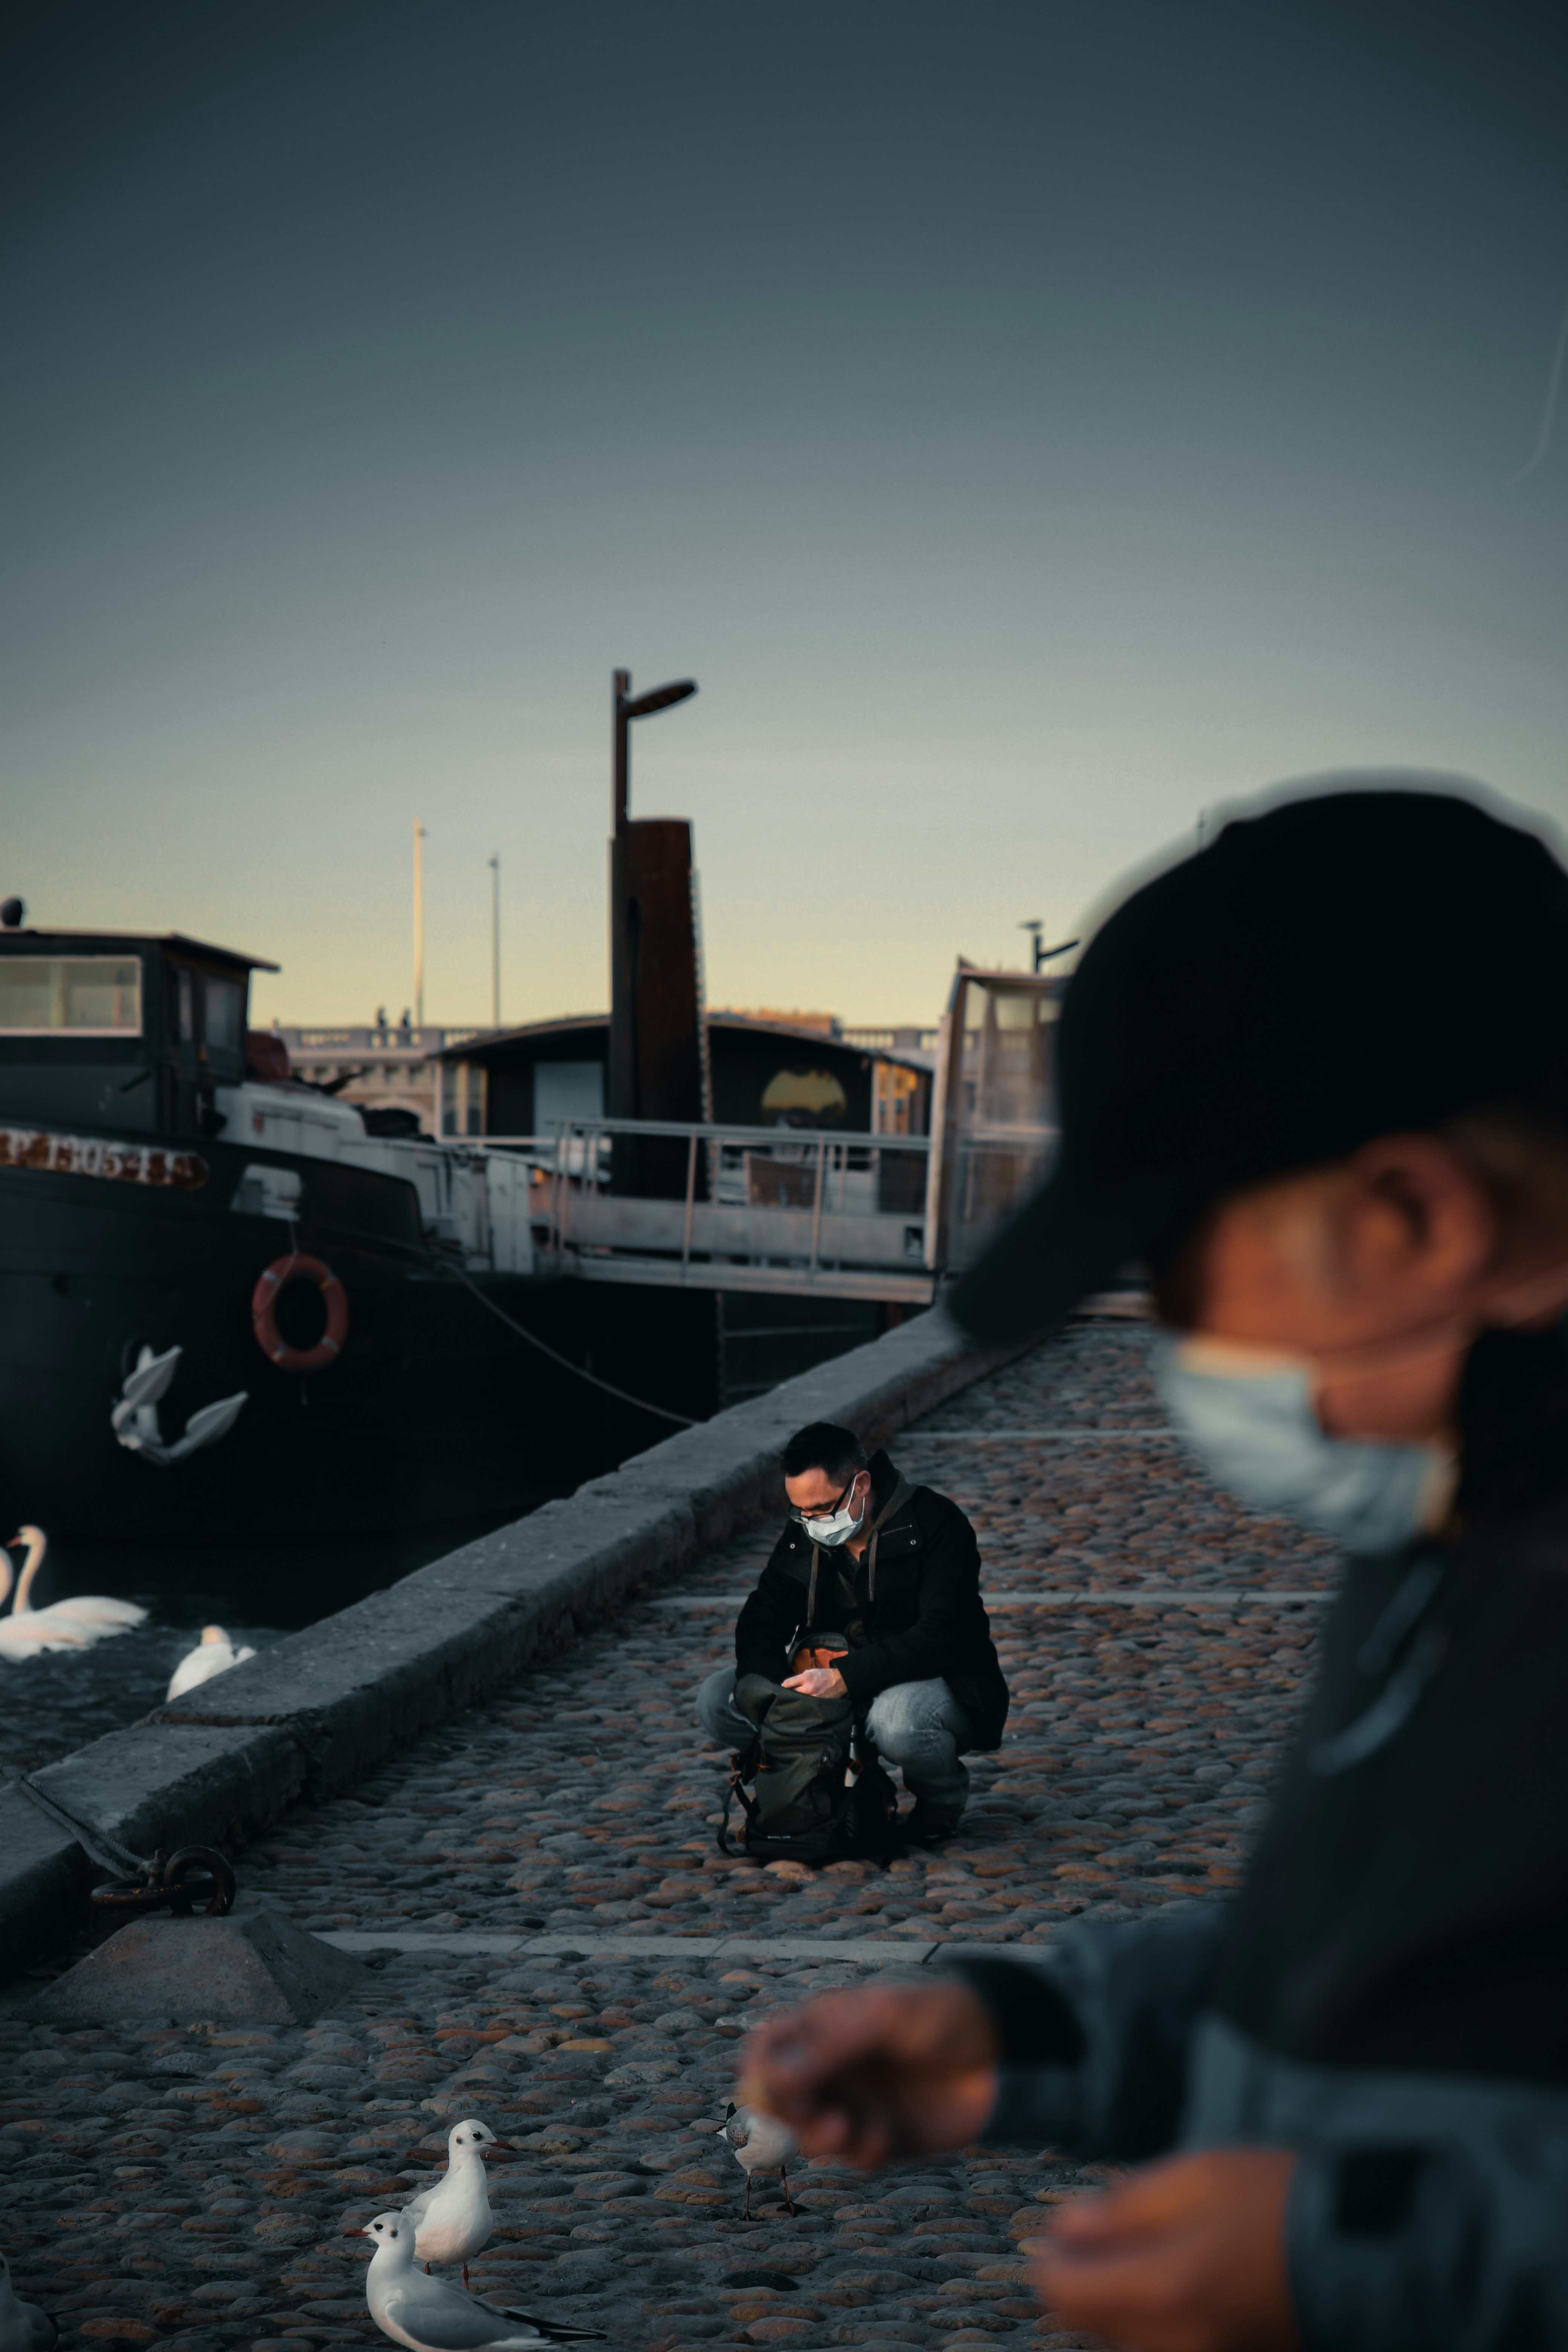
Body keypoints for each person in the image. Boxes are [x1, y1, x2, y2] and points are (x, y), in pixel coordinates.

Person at [740, 782, 1568, 2352]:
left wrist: (1357, 2255)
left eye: (1181, 1266)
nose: (1176, 1342)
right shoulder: (1455, 1524)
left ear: (1409, 1213)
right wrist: (1025, 2037)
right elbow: (1373, 1958)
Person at [694, 1419, 1009, 1844]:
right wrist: (773, 1687)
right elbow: (762, 1616)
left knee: (897, 1720)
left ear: (860, 1484)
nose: (810, 1522)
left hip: (931, 1680)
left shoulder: (936, 1522)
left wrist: (845, 1678)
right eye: (799, 1511)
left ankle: (941, 1801)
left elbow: (942, 1634)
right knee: (718, 1700)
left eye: (821, 1510)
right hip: (827, 1675)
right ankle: (814, 1781)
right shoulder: (805, 1531)